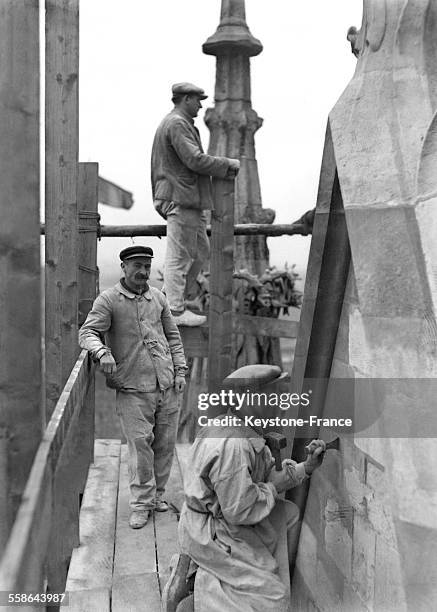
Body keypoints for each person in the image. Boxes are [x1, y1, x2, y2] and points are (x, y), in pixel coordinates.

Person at [168, 366, 325, 612]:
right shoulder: (234, 446)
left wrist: (307, 467)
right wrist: (273, 487)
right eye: (274, 396)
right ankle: (197, 598)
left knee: (290, 515)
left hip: (226, 516)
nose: (281, 403)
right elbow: (239, 511)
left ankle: (243, 572)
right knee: (273, 598)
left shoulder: (239, 425)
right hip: (213, 532)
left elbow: (263, 479)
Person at [78, 245, 187, 529]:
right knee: (140, 446)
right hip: (132, 388)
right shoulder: (109, 300)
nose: (142, 272)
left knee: (164, 445)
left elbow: (173, 337)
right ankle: (140, 504)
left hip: (167, 385)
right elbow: (87, 332)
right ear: (124, 267)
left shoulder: (158, 298)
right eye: (137, 265)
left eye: (147, 266)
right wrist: (101, 352)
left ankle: (157, 496)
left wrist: (180, 371)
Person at [151, 82, 240, 327]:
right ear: (186, 99)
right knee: (179, 256)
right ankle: (175, 311)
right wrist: (228, 164)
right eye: (197, 100)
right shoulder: (177, 123)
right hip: (180, 197)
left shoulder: (179, 123)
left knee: (201, 252)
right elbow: (194, 159)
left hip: (189, 198)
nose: (201, 105)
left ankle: (173, 300)